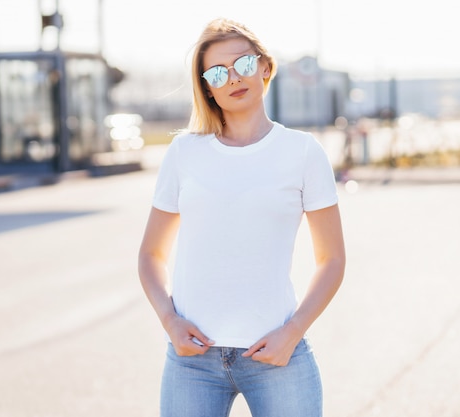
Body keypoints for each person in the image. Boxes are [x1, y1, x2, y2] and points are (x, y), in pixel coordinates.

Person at [138, 17, 346, 417]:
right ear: (208, 89)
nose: (234, 77)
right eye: (218, 72)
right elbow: (150, 255)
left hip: (278, 357)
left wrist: (293, 332)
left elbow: (332, 260)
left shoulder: (303, 152)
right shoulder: (184, 153)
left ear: (265, 66)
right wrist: (169, 321)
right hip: (191, 362)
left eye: (244, 64)